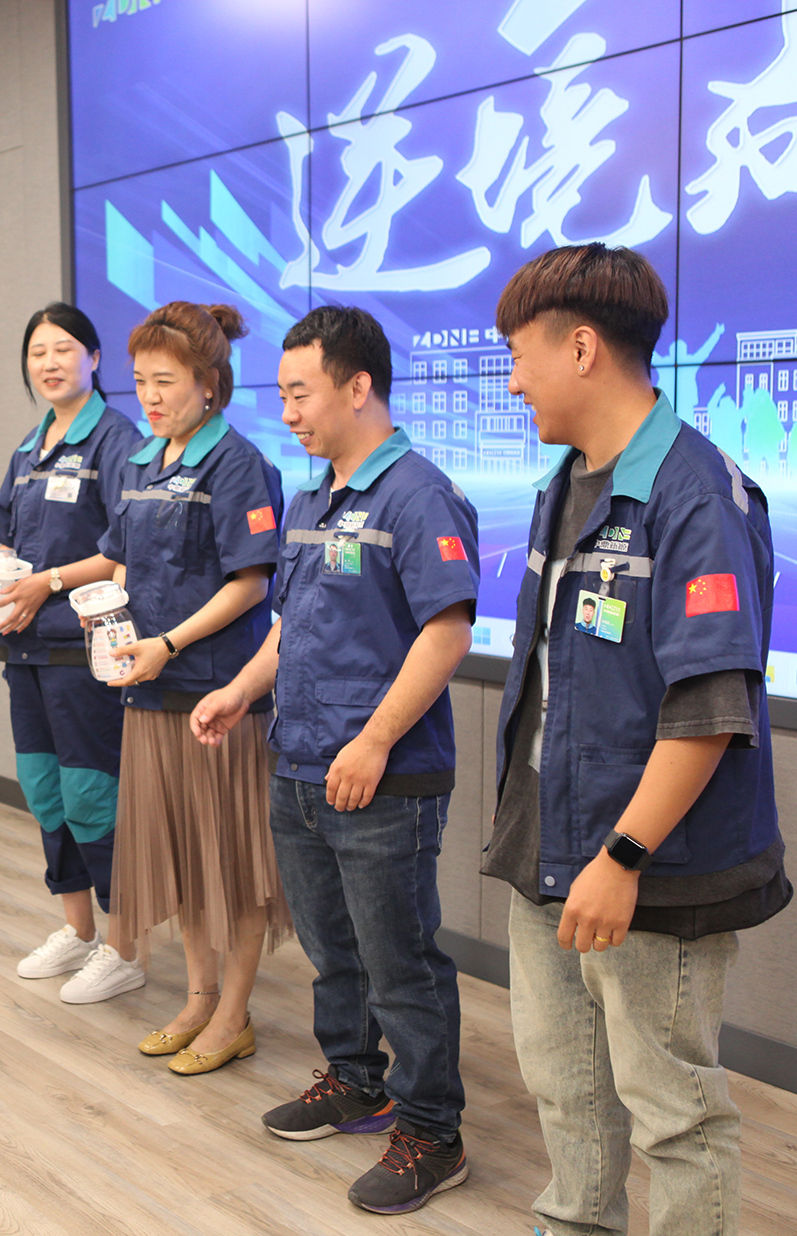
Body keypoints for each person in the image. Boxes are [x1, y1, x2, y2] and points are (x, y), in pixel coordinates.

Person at [483, 243, 791, 1236]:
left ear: (580, 348)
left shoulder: (696, 493)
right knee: (565, 1079)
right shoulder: (565, 482)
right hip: (550, 844)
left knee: (673, 1111)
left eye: (519, 356)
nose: (514, 381)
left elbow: (710, 707)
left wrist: (621, 857)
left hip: (648, 864)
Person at [193, 305, 479, 1214]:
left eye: (300, 393)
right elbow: (290, 625)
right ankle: (356, 1080)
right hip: (299, 765)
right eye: (282, 395)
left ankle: (433, 1132)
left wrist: (375, 739)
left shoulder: (419, 496)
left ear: (359, 387)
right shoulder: (312, 499)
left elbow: (447, 632)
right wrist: (241, 689)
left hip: (382, 777)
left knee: (401, 962)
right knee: (332, 949)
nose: (287, 412)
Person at [95, 300, 290, 1075]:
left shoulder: (239, 465)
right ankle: (199, 997)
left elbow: (252, 582)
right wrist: (106, 613)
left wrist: (170, 642)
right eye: (140, 380)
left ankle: (234, 1012)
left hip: (218, 697)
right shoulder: (142, 461)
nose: (149, 396)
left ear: (209, 383)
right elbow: (121, 560)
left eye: (165, 381)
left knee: (230, 865)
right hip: (147, 692)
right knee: (181, 858)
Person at [0, 303, 145, 999]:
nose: (48, 363)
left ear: (94, 358)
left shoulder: (117, 440)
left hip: (83, 652)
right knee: (46, 793)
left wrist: (47, 582)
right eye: (37, 352)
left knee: (93, 798)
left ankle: (125, 946)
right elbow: (5, 545)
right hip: (24, 650)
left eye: (63, 349)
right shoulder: (29, 449)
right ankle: (79, 931)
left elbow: (124, 550)